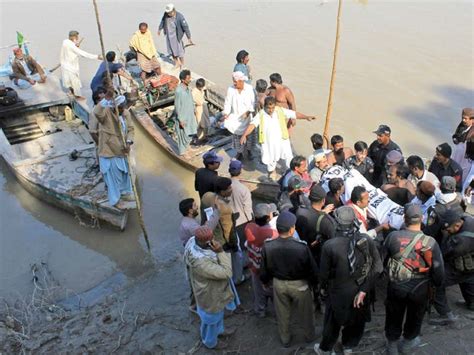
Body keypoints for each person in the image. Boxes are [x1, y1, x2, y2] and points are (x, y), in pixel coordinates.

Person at [314, 206, 382, 355]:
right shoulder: (367, 239)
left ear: (337, 223)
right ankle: (348, 346)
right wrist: (364, 290)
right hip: (361, 291)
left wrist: (322, 289)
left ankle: (326, 349)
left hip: (338, 292)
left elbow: (323, 274)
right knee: (357, 321)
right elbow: (378, 267)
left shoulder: (329, 246)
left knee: (332, 323)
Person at [383, 204, 444, 355]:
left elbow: (384, 259)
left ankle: (392, 346)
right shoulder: (430, 242)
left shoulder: (393, 237)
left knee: (393, 314)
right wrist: (436, 285)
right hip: (420, 287)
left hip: (397, 285)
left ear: (405, 218)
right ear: (422, 219)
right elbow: (438, 270)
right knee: (416, 315)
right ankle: (408, 343)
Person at [260, 211, 318, 347]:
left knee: (282, 313)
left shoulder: (268, 246)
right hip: (300, 286)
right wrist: (314, 285)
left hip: (278, 284)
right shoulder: (301, 247)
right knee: (306, 313)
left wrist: (265, 282)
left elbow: (264, 268)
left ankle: (285, 339)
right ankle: (309, 335)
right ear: (292, 229)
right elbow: (312, 270)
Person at [184, 226, 239, 350]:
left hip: (212, 290)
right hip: (209, 294)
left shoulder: (192, 242)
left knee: (218, 314)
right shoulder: (201, 262)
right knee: (211, 320)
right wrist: (220, 252)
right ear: (207, 243)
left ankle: (219, 331)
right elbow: (227, 272)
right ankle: (210, 342)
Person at [240, 97, 315, 180]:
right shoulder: (261, 114)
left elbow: (294, 114)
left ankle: (291, 172)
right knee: (270, 158)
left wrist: (306, 117)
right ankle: (272, 173)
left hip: (282, 140)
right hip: (268, 142)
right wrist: (244, 135)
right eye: (269, 108)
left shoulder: (280, 110)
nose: (271, 110)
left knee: (288, 156)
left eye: (273, 108)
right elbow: (252, 125)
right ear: (265, 106)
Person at [430, 211, 474, 324]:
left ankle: (445, 315)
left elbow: (444, 255)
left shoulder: (461, 241)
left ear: (457, 225)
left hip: (465, 264)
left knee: (436, 281)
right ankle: (472, 303)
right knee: (469, 278)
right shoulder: (468, 219)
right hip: (471, 261)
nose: (446, 231)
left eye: (448, 229)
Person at [93, 93, 134, 207]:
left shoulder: (125, 113)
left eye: (123, 107)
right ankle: (115, 200)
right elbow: (96, 112)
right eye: (120, 108)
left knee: (126, 174)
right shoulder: (105, 114)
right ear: (114, 107)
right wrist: (105, 99)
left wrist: (129, 142)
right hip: (109, 152)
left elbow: (131, 129)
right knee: (113, 179)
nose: (122, 110)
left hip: (123, 150)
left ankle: (125, 193)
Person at [244, 203, 278, 318]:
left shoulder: (249, 229)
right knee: (273, 292)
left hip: (254, 267)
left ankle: (260, 311)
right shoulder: (273, 234)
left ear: (254, 217)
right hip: (269, 271)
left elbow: (246, 244)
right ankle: (276, 312)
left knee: (258, 291)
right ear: (269, 217)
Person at [295, 184, 336, 266]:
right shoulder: (327, 222)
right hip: (318, 257)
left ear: (310, 198)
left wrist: (323, 212)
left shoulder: (299, 211)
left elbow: (312, 214)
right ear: (323, 201)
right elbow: (334, 244)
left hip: (304, 251)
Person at [223, 71, 255, 161]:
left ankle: (249, 152)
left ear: (241, 81)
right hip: (236, 118)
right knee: (237, 137)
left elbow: (253, 104)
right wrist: (226, 113)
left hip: (247, 118)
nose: (234, 83)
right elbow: (227, 102)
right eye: (233, 81)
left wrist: (248, 112)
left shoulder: (249, 89)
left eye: (235, 81)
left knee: (249, 137)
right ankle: (239, 152)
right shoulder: (231, 89)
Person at [228, 159, 253, 279]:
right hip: (242, 221)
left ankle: (237, 266)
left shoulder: (225, 186)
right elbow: (248, 209)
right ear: (240, 172)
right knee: (244, 246)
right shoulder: (244, 189)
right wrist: (251, 223)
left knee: (235, 246)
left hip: (230, 221)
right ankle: (243, 266)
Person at [60, 30, 101, 99]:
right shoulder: (72, 46)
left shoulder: (65, 42)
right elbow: (83, 54)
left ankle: (71, 92)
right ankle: (78, 96)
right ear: (74, 37)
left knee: (69, 82)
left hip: (65, 65)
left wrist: (75, 46)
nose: (78, 38)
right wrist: (96, 57)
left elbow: (71, 46)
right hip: (71, 67)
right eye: (77, 37)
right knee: (75, 83)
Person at [424, 176, 466, 243]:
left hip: (438, 241)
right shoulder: (460, 199)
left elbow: (429, 230)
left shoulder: (436, 208)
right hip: (457, 237)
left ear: (440, 187)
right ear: (454, 188)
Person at [158, 3, 193, 69]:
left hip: (177, 37)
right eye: (167, 13)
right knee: (171, 51)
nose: (168, 14)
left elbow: (185, 27)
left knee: (180, 52)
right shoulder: (166, 14)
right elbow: (162, 21)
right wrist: (160, 29)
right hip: (168, 36)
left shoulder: (180, 17)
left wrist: (189, 37)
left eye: (170, 13)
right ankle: (176, 63)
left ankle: (182, 64)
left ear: (174, 10)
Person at [174, 69, 197, 155]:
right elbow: (177, 106)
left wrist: (194, 109)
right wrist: (180, 120)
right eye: (188, 78)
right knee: (182, 136)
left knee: (190, 132)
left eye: (190, 77)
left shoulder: (187, 89)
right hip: (183, 117)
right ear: (183, 80)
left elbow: (191, 100)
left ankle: (188, 147)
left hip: (189, 115)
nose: (190, 79)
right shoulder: (179, 91)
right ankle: (182, 153)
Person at [452, 108, 474, 183]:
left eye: (465, 119)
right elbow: (456, 135)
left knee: (463, 175)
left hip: (467, 158)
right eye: (462, 118)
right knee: (453, 168)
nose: (463, 120)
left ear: (472, 119)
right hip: (458, 152)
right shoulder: (462, 125)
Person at [192, 78, 210, 142]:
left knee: (206, 123)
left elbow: (204, 88)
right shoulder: (194, 92)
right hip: (199, 109)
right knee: (200, 124)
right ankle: (200, 138)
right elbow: (197, 102)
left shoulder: (201, 89)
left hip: (203, 108)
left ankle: (205, 136)